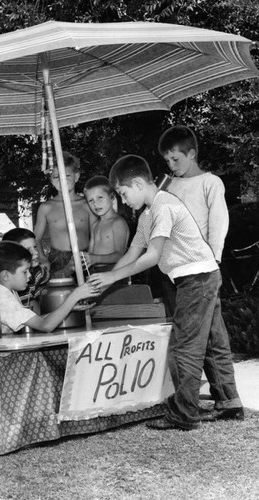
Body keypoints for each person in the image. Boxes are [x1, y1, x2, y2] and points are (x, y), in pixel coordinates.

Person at [88, 154, 243, 430]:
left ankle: (184, 414)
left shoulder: (163, 205)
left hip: (197, 278)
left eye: (123, 194)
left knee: (184, 347)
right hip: (201, 276)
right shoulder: (148, 214)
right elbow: (131, 254)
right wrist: (104, 282)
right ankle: (229, 403)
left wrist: (113, 276)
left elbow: (151, 256)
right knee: (210, 342)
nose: (123, 201)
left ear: (137, 183)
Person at [158, 125, 229, 315]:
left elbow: (218, 223)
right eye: (167, 161)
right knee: (181, 322)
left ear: (191, 153)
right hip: (172, 269)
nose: (171, 165)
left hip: (200, 269)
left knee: (203, 322)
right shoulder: (169, 185)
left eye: (175, 159)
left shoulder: (210, 183)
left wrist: (214, 260)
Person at [0, 241, 99, 334]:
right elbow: (46, 326)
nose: (30, 276)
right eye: (24, 272)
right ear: (6, 275)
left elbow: (32, 321)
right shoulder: (3, 300)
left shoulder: (2, 292)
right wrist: (75, 295)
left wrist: (70, 308)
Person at [34, 151, 96, 278]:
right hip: (57, 260)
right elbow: (36, 238)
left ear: (76, 176)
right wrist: (43, 258)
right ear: (51, 180)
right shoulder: (46, 207)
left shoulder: (87, 205)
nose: (62, 179)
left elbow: (96, 234)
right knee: (60, 295)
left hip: (84, 258)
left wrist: (93, 255)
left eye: (67, 175)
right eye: (56, 176)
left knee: (88, 295)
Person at [82, 175, 130, 272]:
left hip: (114, 271)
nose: (95, 203)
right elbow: (91, 254)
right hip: (95, 271)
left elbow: (119, 255)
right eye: (91, 200)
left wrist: (95, 259)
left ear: (112, 197)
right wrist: (83, 260)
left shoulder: (117, 223)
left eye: (100, 197)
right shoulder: (95, 225)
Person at [2, 227, 50, 312]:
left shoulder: (38, 271)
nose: (35, 252)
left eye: (35, 247)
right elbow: (32, 311)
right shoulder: (13, 279)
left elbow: (50, 283)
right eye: (28, 249)